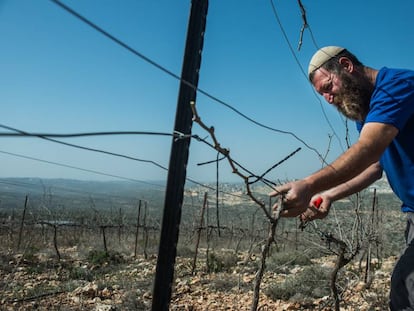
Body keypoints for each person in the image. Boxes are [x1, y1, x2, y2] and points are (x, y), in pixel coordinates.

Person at [269, 46, 414, 310]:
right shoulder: (368, 110)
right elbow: (374, 166)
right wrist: (327, 194)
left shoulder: (397, 86)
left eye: (327, 86)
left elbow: (367, 148)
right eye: (322, 94)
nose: (328, 98)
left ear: (346, 66)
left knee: (406, 292)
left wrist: (309, 184)